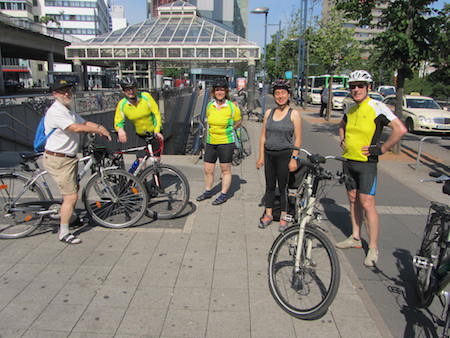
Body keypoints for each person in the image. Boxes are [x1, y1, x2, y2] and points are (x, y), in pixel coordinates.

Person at [336, 70, 407, 267]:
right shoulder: (350, 109)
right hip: (348, 161)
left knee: (367, 203)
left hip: (367, 164)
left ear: (368, 87)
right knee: (352, 199)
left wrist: (382, 148)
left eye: (360, 86)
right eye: (352, 86)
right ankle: (356, 237)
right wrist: (342, 138)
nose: (356, 89)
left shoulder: (377, 107)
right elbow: (341, 125)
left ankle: (373, 247)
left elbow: (400, 129)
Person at [43, 79, 111, 244]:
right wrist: (95, 130)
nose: (67, 94)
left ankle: (70, 217)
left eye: (68, 90)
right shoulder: (56, 111)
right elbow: (75, 128)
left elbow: (83, 122)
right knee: (71, 196)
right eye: (62, 91)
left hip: (69, 159)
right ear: (55, 94)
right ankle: (64, 232)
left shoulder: (67, 109)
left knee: (74, 189)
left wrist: (100, 127)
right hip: (58, 160)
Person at [256, 79, 302, 231]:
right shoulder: (269, 113)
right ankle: (268, 214)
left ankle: (283, 216)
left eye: (283, 93)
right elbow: (263, 136)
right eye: (277, 93)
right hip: (269, 154)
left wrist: (294, 158)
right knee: (269, 186)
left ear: (288, 95)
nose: (280, 96)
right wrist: (261, 157)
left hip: (285, 155)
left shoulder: (293, 114)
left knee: (283, 187)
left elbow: (298, 138)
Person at [196, 79, 241, 205]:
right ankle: (208, 191)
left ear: (226, 91)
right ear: (214, 92)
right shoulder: (210, 106)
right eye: (217, 90)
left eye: (222, 90)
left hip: (226, 142)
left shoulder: (232, 107)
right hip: (211, 141)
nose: (219, 92)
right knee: (208, 169)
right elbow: (208, 120)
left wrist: (231, 129)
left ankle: (224, 194)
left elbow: (238, 121)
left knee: (225, 169)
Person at [114, 77, 163, 147]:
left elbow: (156, 113)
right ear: (123, 91)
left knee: (155, 157)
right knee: (141, 157)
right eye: (127, 89)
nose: (131, 91)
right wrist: (120, 130)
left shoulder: (146, 97)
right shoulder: (122, 105)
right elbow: (118, 121)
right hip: (140, 135)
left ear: (136, 88)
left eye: (133, 88)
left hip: (154, 132)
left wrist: (157, 130)